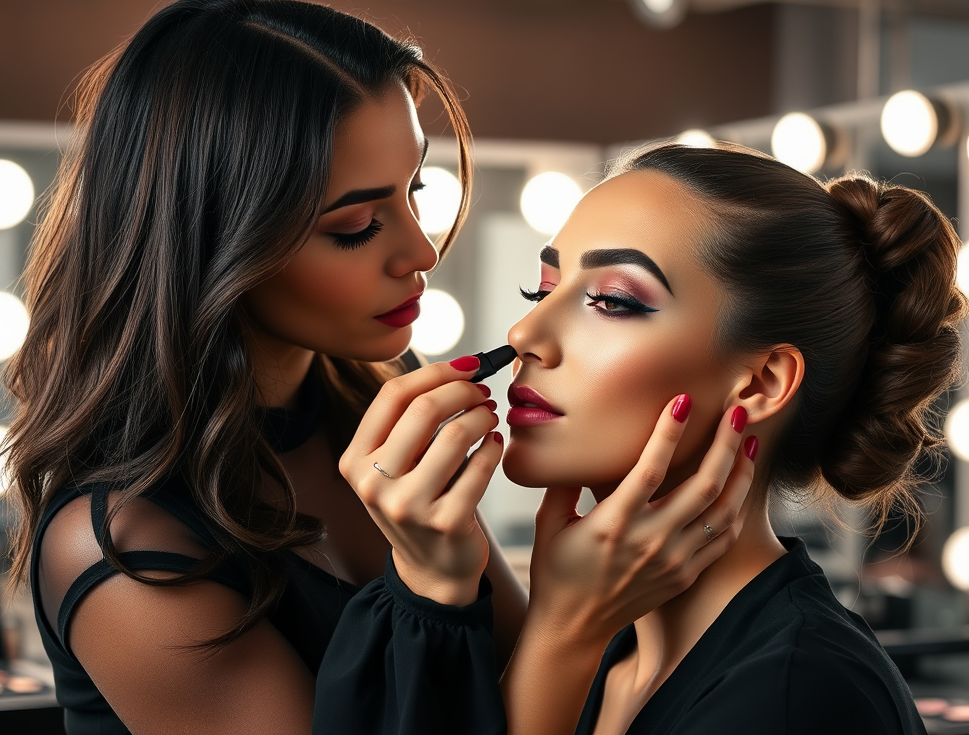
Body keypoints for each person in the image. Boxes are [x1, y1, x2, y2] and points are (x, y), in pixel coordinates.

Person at [2, 0, 755, 735]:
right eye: (358, 225)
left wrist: (574, 609)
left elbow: (512, 692)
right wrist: (567, 623)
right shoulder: (125, 546)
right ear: (214, 243)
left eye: (415, 189)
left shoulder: (376, 397)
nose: (422, 251)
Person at [339, 142, 961, 734]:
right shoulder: (613, 647)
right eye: (544, 289)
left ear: (763, 382)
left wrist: (562, 634)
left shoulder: (799, 694)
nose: (526, 332)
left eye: (610, 300)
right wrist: (437, 584)